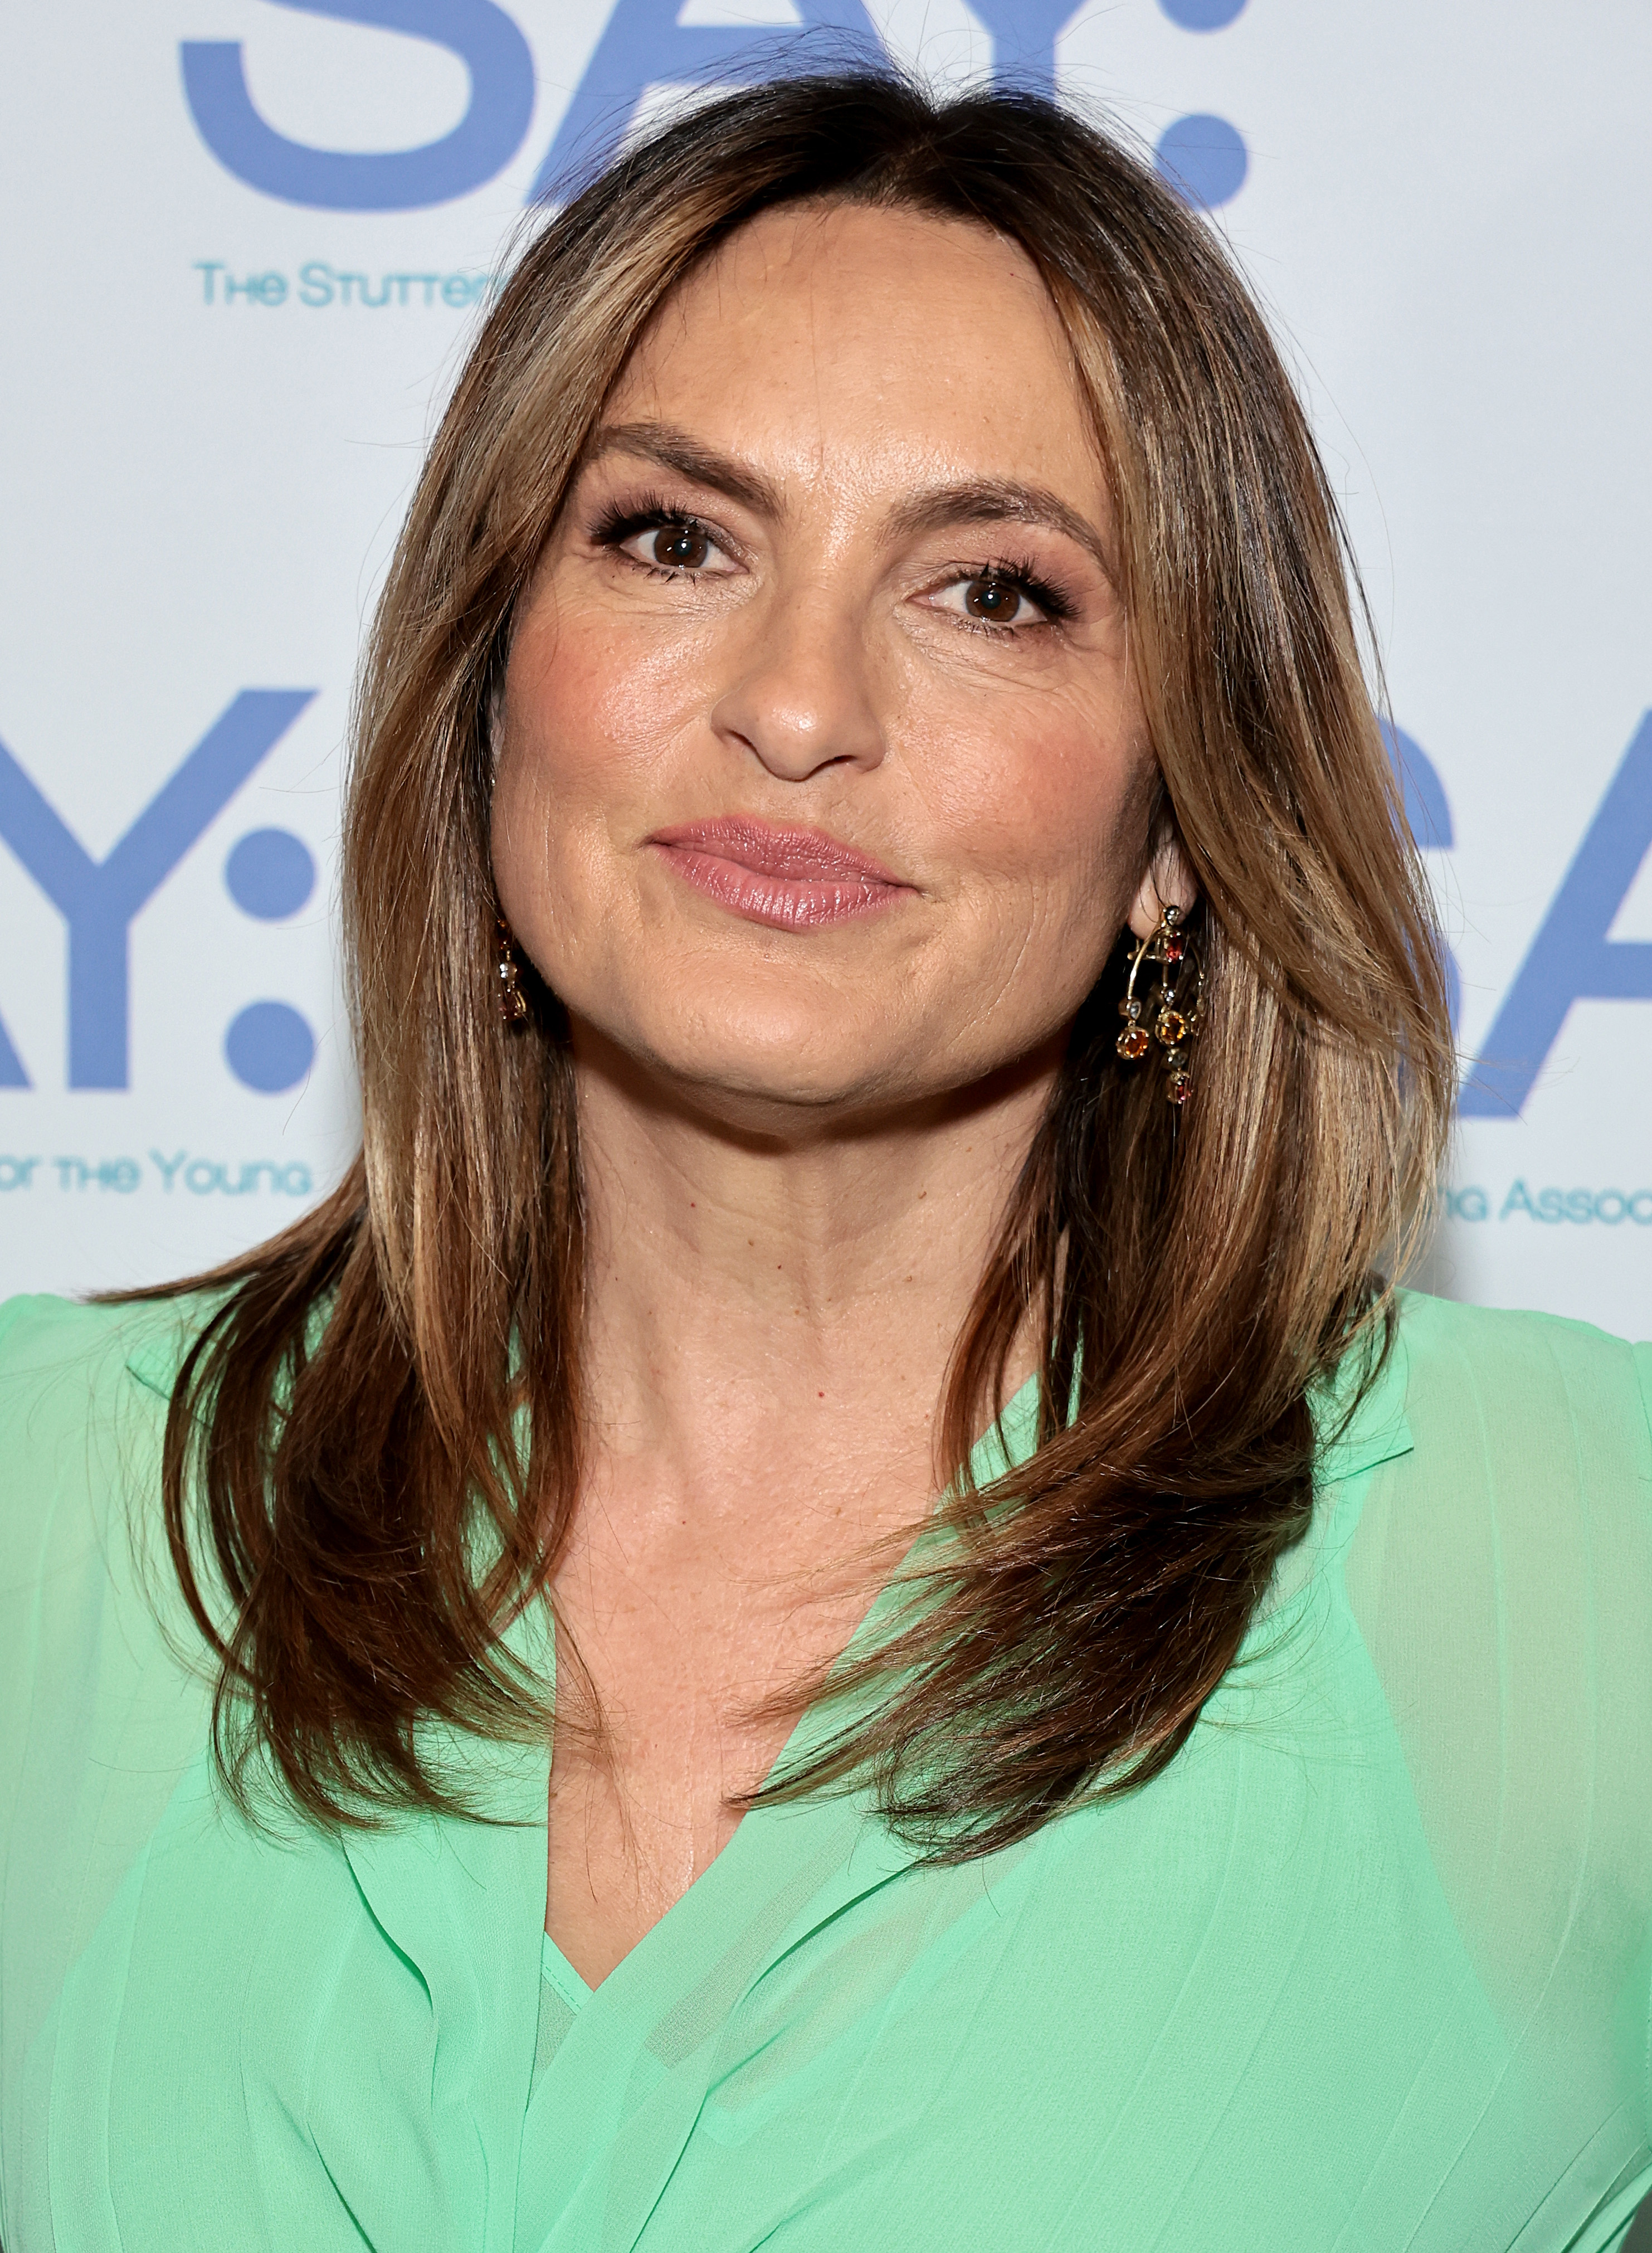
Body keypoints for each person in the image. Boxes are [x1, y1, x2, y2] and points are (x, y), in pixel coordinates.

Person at [2, 69, 1648, 2253]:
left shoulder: (1562, 1570)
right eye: (672, 537)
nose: (795, 701)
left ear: (1178, 817)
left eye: (995, 591)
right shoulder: (48, 1514)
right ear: (495, 683)